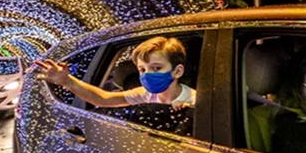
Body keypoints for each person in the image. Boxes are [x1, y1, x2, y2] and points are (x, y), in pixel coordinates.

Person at [33, 36, 195, 110]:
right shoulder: (145, 94)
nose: (147, 75)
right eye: (142, 69)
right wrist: (67, 81)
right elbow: (103, 99)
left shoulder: (194, 99)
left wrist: (188, 110)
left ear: (177, 71)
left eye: (156, 68)